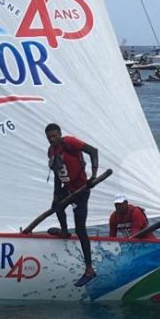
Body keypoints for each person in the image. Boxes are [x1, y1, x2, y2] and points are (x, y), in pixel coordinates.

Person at [45, 123, 99, 287]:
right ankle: (64, 232)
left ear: (60, 134)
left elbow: (93, 151)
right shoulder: (51, 151)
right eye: (49, 137)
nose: (52, 139)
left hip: (82, 190)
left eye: (55, 136)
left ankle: (89, 269)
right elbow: (57, 174)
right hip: (68, 188)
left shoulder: (69, 142)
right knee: (57, 207)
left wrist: (94, 177)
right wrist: (56, 194)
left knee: (81, 229)